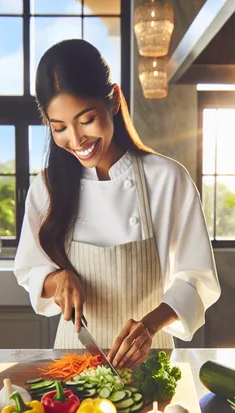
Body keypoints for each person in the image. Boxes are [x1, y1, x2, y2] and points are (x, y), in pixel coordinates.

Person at [14, 39, 220, 370]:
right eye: (60, 128)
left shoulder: (168, 179)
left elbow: (195, 278)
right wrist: (58, 280)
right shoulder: (47, 188)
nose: (76, 139)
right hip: (73, 361)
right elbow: (30, 271)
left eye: (86, 119)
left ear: (112, 101)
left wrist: (150, 325)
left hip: (150, 361)